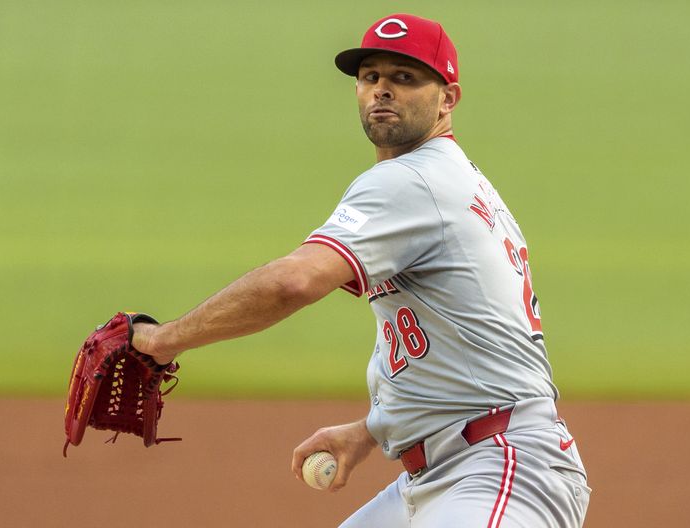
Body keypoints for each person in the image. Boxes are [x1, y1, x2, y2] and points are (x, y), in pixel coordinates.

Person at [132, 13, 590, 527]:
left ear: (448, 98)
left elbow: (292, 282)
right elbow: (461, 344)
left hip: (499, 469)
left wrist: (162, 340)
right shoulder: (453, 180)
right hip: (450, 471)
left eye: (405, 77)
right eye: (370, 77)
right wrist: (373, 429)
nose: (382, 90)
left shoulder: (413, 181)